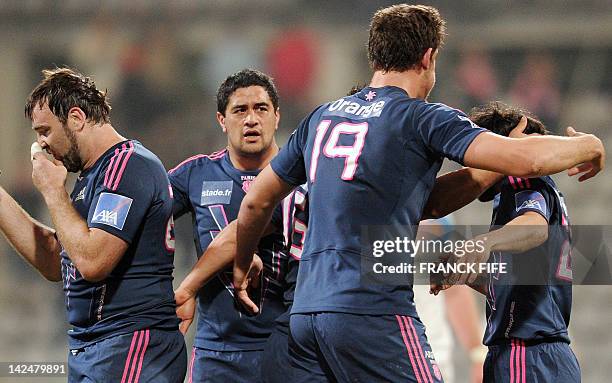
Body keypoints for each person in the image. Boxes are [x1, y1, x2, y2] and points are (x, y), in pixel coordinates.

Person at [231, 4, 604, 382]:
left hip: (306, 318)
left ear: (376, 54)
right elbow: (527, 161)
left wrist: (242, 264)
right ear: (428, 58)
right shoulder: (420, 116)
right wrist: (588, 145)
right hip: (371, 311)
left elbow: (255, 202)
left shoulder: (320, 117)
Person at [0, 68, 186, 382]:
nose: (40, 145)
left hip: (132, 344)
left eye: (44, 131)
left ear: (76, 117)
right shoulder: (93, 177)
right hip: (96, 347)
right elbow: (55, 261)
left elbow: (93, 261)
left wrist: (52, 190)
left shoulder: (128, 165)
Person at [441, 102, 580, 382]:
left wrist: (483, 243)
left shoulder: (523, 180)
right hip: (547, 356)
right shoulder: (544, 189)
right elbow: (525, 279)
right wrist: (465, 272)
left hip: (524, 352)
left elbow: (535, 226)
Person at [169, 69, 288, 382]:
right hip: (216, 352)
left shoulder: (300, 177)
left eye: (261, 109)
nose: (251, 119)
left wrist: (188, 287)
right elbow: (142, 216)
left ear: (277, 116)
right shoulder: (194, 174)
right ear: (222, 120)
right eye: (240, 110)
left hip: (286, 346)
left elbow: (240, 232)